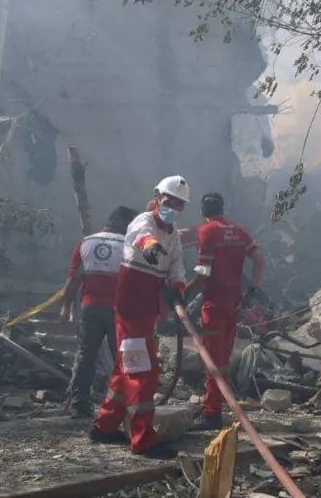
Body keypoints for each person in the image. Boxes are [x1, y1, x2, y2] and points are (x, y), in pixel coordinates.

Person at [89, 175, 190, 459]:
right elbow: (140, 238)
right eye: (170, 201)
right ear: (157, 198)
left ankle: (105, 426)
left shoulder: (172, 234)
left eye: (180, 204)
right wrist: (149, 246)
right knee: (143, 373)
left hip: (147, 311)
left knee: (125, 370)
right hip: (132, 308)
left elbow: (177, 267)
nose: (174, 207)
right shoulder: (143, 221)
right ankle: (142, 439)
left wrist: (178, 288)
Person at [185, 192, 264, 430]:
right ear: (222, 209)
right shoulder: (239, 231)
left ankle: (212, 413)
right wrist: (252, 289)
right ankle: (215, 403)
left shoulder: (206, 231)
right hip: (234, 303)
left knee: (212, 359)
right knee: (223, 358)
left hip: (214, 304)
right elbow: (259, 259)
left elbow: (203, 271)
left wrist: (185, 290)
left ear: (202, 212)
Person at [60, 206, 139, 419]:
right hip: (119, 310)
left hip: (90, 307)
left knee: (85, 355)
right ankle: (124, 404)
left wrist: (66, 306)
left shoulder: (87, 242)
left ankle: (78, 403)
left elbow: (74, 279)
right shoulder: (130, 245)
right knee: (122, 357)